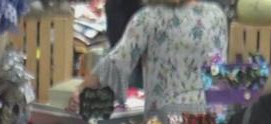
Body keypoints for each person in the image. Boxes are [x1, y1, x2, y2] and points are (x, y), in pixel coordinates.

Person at [72, 0, 227, 116]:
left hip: (165, 123)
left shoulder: (149, 18)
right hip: (206, 122)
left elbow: (116, 62)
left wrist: (82, 89)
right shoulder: (216, 16)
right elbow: (218, 70)